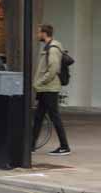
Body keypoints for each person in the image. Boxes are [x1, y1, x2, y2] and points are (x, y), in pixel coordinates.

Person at [32, 24, 71, 156]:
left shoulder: (53, 49)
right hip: (45, 88)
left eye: (39, 33)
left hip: (49, 88)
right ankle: (30, 145)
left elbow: (53, 69)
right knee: (38, 117)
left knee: (55, 117)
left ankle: (64, 147)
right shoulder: (48, 47)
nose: (37, 35)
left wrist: (40, 82)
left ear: (44, 33)